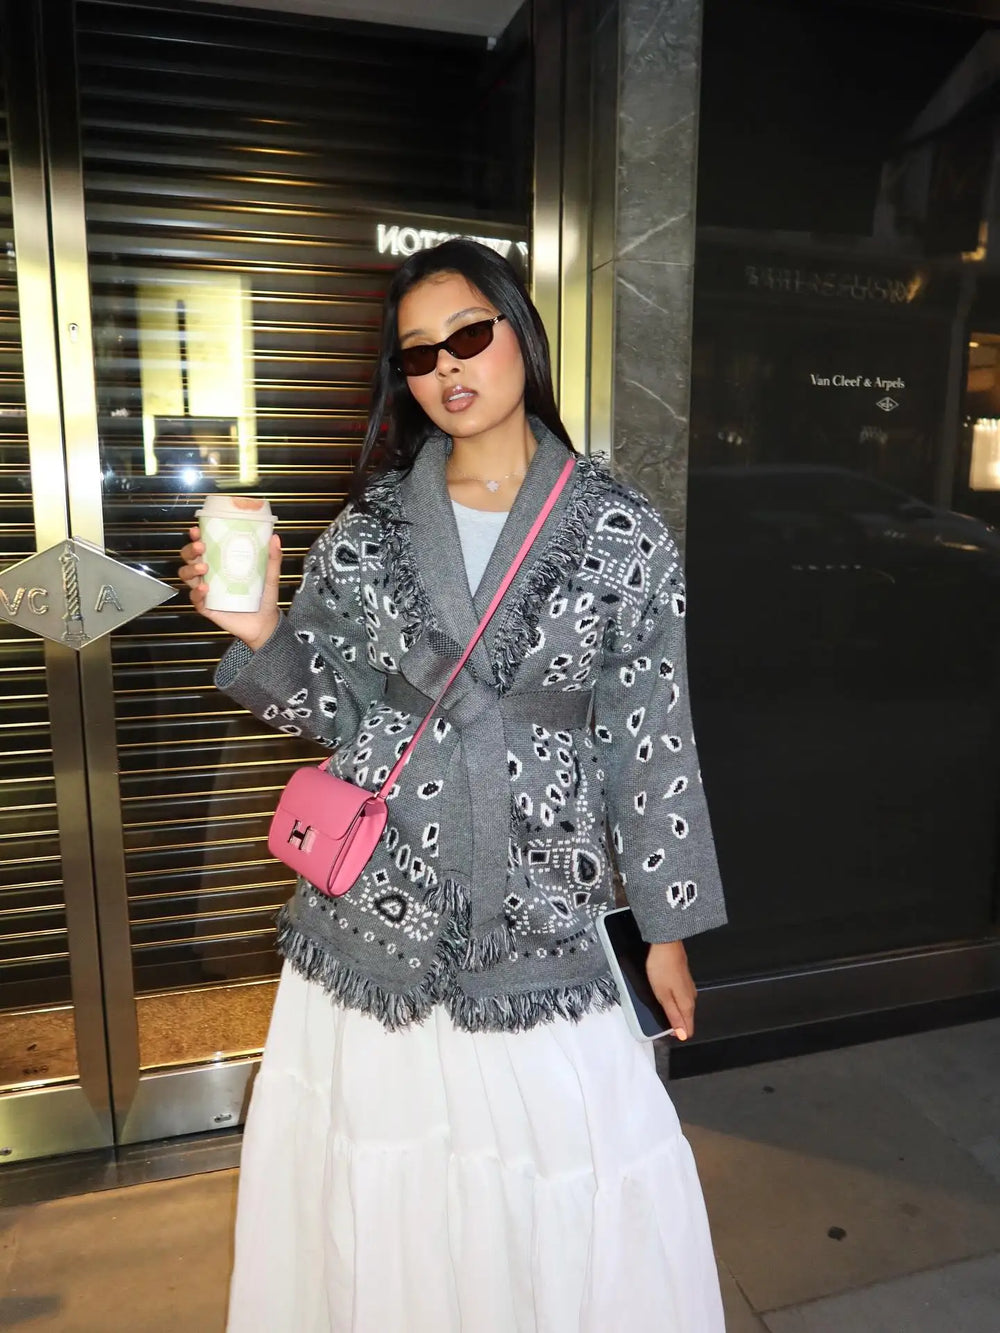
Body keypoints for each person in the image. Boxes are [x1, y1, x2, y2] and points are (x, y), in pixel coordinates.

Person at [178, 239, 728, 1332]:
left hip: (546, 907)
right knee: (383, 1194)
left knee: (572, 1171)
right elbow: (336, 711)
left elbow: (651, 733)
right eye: (420, 352)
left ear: (520, 331)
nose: (448, 365)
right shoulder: (372, 527)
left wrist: (667, 931)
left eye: (470, 333)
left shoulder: (621, 529)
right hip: (376, 913)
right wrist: (258, 631)